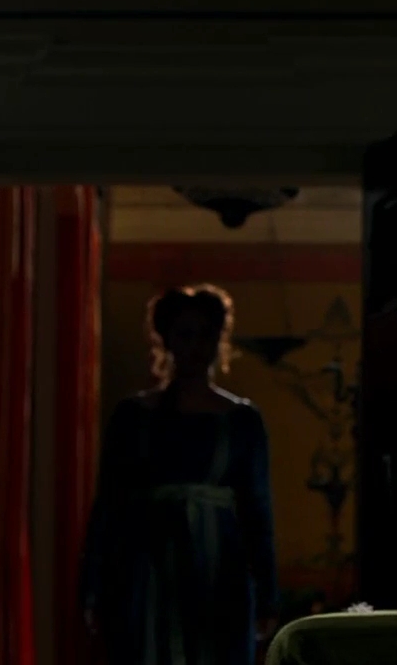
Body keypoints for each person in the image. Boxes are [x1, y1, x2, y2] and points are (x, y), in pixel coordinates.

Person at [80, 284, 278, 665]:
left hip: (218, 570)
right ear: (167, 340)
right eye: (186, 335)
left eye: (206, 335)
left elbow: (258, 511)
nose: (196, 347)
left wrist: (268, 593)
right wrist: (92, 586)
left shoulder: (242, 422)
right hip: (146, 568)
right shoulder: (133, 417)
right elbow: (109, 504)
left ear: (219, 341)